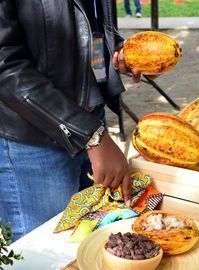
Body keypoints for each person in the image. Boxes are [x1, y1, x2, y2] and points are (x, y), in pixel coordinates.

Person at [0, 0, 141, 241]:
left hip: (91, 121)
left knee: (86, 245)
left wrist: (117, 51)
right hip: (36, 144)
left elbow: (89, 24)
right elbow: (6, 68)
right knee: (46, 255)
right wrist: (91, 136)